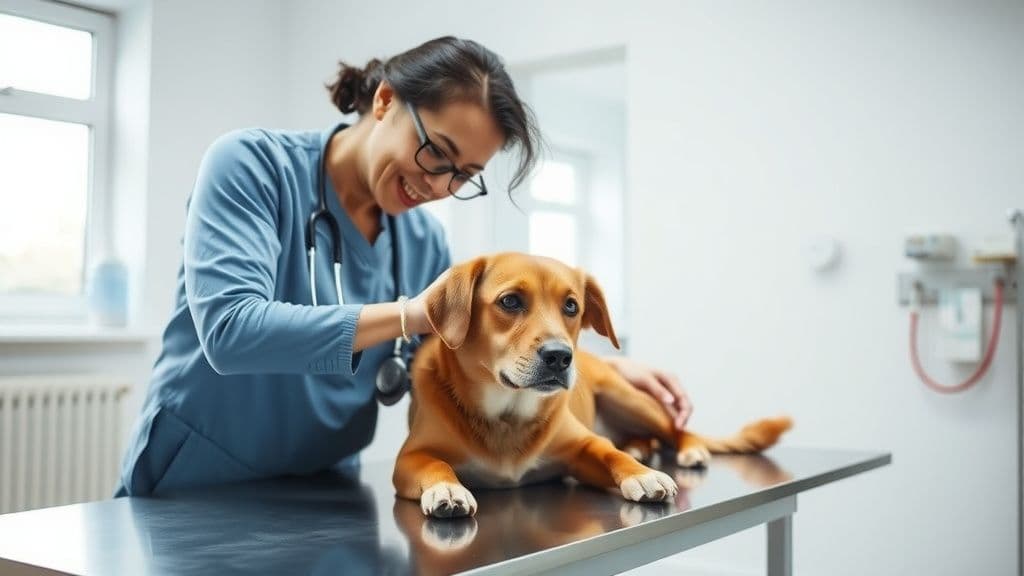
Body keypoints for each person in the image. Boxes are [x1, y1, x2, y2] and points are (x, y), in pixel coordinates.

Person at [115, 36, 692, 497]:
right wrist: (411, 313)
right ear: (386, 101)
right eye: (436, 152)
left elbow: (455, 354)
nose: (437, 185)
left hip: (321, 487)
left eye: (462, 176)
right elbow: (230, 332)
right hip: (196, 480)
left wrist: (598, 369)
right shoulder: (252, 166)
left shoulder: (419, 241)